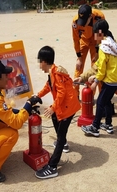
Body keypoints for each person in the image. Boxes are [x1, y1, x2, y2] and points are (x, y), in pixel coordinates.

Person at [34, 46, 81, 179]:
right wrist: (38, 96)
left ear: (44, 61)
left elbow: (62, 92)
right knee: (54, 117)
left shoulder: (57, 73)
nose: (39, 65)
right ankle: (64, 143)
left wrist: (53, 107)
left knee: (60, 135)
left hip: (69, 107)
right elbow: (48, 86)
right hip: (64, 105)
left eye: (39, 62)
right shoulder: (52, 72)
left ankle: (52, 167)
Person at [74, 39, 117, 120]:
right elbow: (95, 69)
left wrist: (98, 77)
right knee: (101, 79)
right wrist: (81, 78)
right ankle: (108, 107)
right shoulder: (106, 53)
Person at [80, 19, 117, 137]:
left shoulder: (103, 47)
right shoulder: (111, 42)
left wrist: (96, 80)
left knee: (100, 102)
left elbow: (102, 68)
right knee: (107, 101)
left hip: (111, 79)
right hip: (116, 78)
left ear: (100, 33)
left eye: (95, 33)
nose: (94, 36)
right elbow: (104, 65)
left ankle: (95, 127)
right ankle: (108, 124)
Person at [72, 4, 105, 95]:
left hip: (95, 41)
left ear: (90, 17)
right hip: (84, 40)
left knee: (96, 67)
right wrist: (79, 57)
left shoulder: (99, 17)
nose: (81, 24)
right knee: (79, 67)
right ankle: (75, 94)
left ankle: (93, 94)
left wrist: (97, 53)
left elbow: (100, 37)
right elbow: (75, 40)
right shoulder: (75, 21)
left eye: (84, 21)